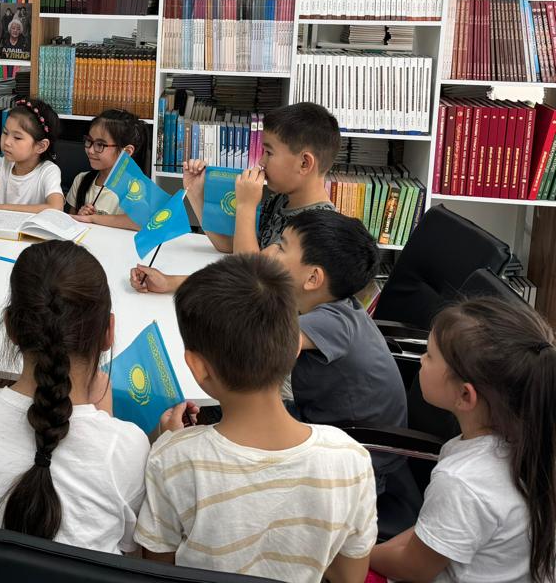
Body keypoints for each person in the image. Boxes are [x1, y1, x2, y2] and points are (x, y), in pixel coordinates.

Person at [135, 253, 376, 583]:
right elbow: (350, 577)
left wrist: (173, 443)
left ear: (198, 367)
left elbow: (158, 567)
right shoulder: (351, 458)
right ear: (295, 347)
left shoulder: (172, 459)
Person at [0, 241, 148, 553]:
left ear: (10, 326)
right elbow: (128, 544)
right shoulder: (128, 448)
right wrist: (104, 419)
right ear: (109, 331)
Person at [370, 298, 556, 583]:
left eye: (429, 355)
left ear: (465, 395)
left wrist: (355, 554)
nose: (421, 360)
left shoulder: (461, 481)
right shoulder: (533, 441)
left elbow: (414, 569)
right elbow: (430, 533)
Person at [131, 101, 338, 292]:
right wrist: (195, 192)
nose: (261, 161)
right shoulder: (282, 200)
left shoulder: (316, 229)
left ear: (304, 163)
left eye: (269, 153)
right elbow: (229, 245)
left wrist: (246, 206)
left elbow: (248, 277)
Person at [267, 210, 407, 492]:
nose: (270, 252)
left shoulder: (332, 322)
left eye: (281, 247)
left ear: (313, 278)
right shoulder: (331, 304)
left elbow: (262, 344)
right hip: (333, 428)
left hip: (357, 463)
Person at [0, 98, 64, 223]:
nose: (7, 142)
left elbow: (56, 208)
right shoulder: (1, 163)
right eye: (5, 132)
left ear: (41, 146)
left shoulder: (49, 171)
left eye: (17, 137)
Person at [64, 108, 149, 231]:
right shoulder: (81, 180)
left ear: (126, 152)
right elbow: (71, 223)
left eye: (100, 144)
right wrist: (81, 216)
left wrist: (93, 218)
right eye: (89, 141)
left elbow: (141, 221)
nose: (90, 150)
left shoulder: (134, 187)